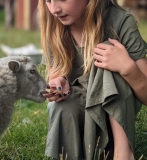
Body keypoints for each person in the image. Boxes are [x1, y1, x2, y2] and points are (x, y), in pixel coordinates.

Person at [38, 0, 147, 159]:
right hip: (82, 118)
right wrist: (58, 83)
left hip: (116, 115)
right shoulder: (54, 26)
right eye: (48, 0)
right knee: (62, 107)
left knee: (107, 53)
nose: (54, 9)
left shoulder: (120, 22)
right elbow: (57, 76)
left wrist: (127, 68)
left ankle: (123, 153)